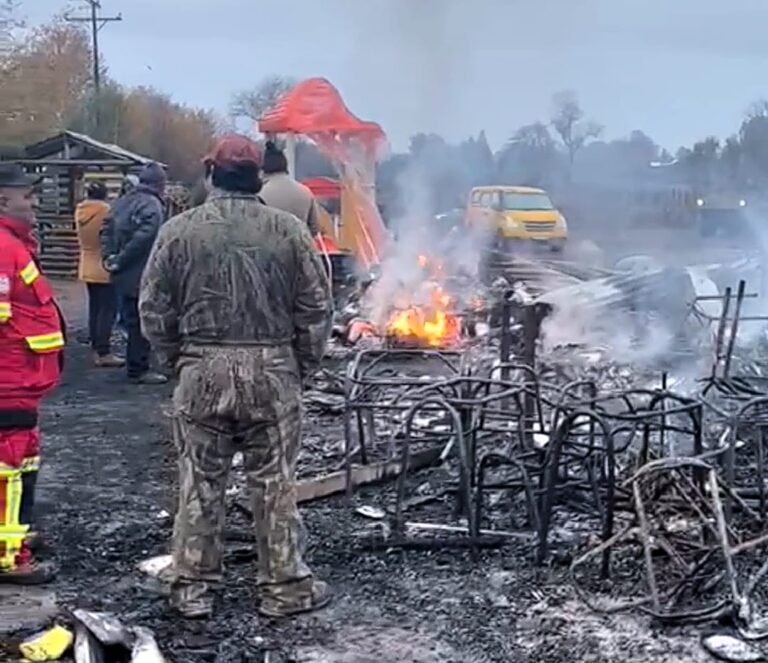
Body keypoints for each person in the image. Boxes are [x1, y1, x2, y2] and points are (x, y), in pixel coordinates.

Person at [139, 135, 333, 619]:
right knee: (274, 484)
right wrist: (299, 367)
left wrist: (179, 360)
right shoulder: (289, 231)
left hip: (201, 372)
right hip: (273, 375)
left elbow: (153, 310)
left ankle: (193, 589)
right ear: (258, 177)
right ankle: (285, 588)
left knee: (199, 482)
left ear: (210, 174)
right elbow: (316, 308)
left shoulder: (179, 231)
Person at [0, 163, 64, 584]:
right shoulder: (4, 250)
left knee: (23, 464)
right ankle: (8, 556)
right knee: (9, 467)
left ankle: (16, 536)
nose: (36, 202)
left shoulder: (15, 244)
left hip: (23, 382)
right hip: (8, 382)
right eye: (28, 195)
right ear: (3, 199)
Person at [101, 163, 168, 385]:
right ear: (160, 184)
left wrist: (109, 257)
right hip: (140, 272)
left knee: (131, 319)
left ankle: (136, 364)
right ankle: (139, 368)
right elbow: (145, 240)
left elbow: (106, 230)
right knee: (142, 321)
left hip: (121, 272)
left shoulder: (121, 202)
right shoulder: (152, 206)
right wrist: (121, 259)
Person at [75, 181, 124, 368]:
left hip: (86, 263)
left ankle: (96, 348)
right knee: (107, 310)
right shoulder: (105, 211)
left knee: (95, 309)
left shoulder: (80, 210)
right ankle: (104, 352)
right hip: (103, 265)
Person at [260, 141, 320, 236]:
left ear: (262, 169)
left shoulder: (260, 194)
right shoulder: (305, 191)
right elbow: (314, 228)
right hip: (300, 246)